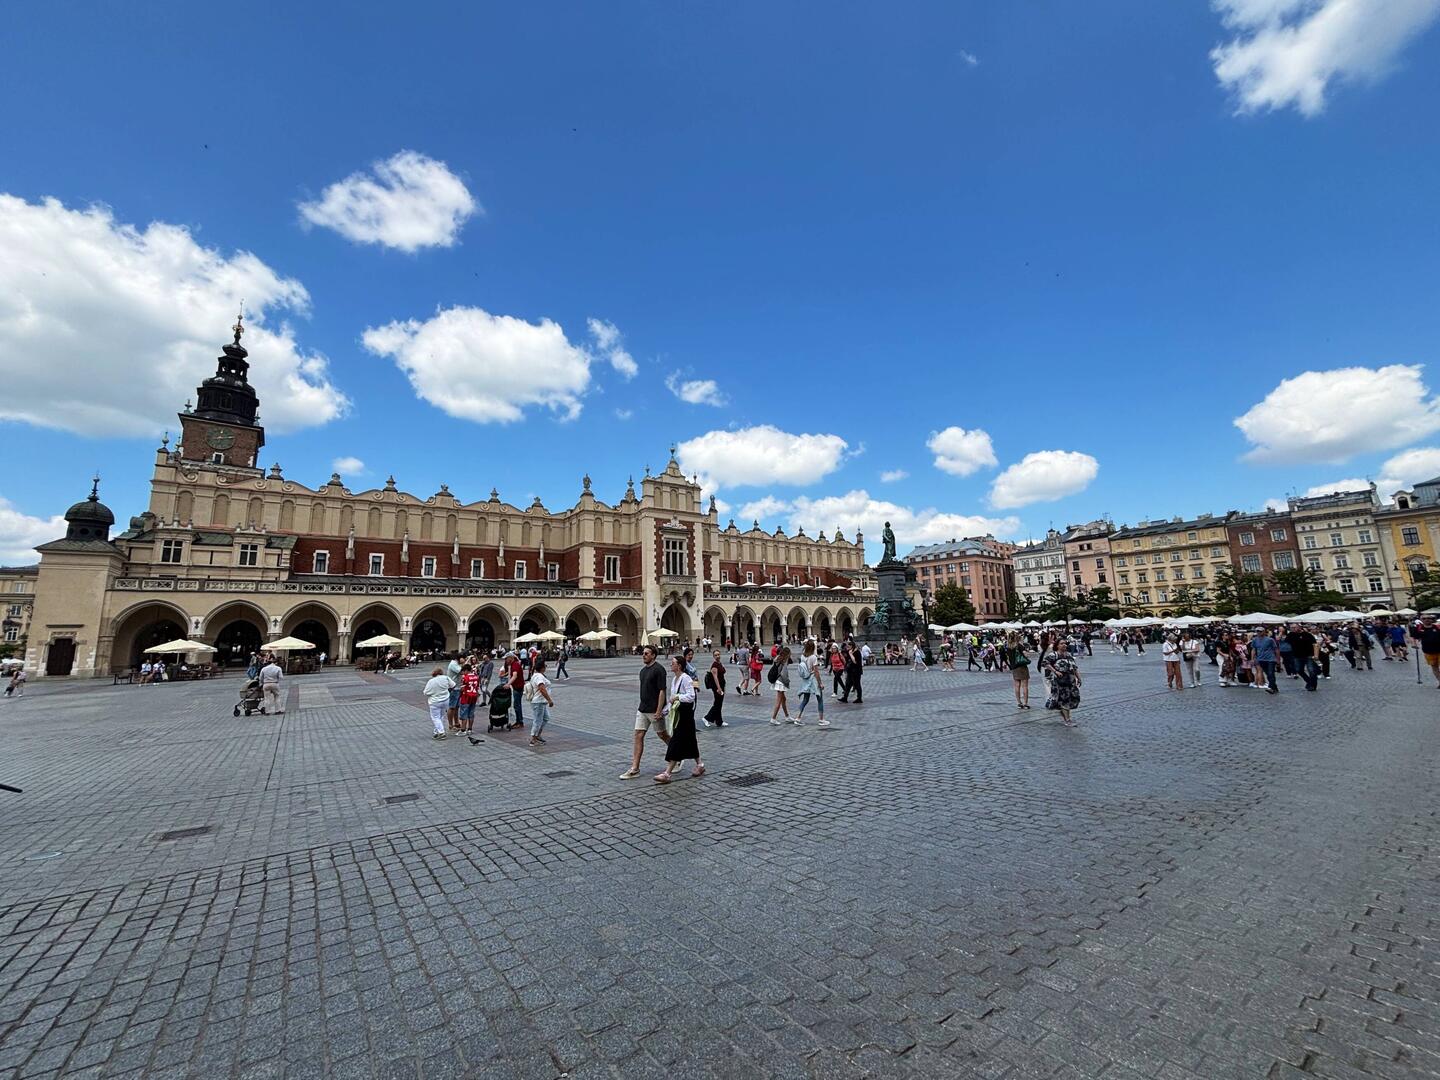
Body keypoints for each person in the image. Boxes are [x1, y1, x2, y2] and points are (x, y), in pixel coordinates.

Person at [620, 646, 669, 780]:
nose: (643, 655)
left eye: (646, 653)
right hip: (642, 709)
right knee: (638, 735)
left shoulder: (659, 670)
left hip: (654, 710)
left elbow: (662, 691)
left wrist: (659, 711)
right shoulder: (642, 671)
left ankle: (676, 753)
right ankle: (635, 768)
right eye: (643, 653)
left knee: (662, 735)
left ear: (653, 655)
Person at [655, 654, 704, 783]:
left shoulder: (686, 678)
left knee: (676, 742)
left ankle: (667, 773)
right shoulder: (675, 679)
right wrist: (662, 712)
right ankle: (700, 764)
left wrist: (677, 697)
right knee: (690, 740)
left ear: (679, 666)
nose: (671, 664)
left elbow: (691, 696)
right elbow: (671, 701)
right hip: (678, 714)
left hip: (685, 715)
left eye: (673, 663)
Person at [795, 640, 829, 728]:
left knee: (805, 699)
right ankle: (821, 720)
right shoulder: (813, 657)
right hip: (813, 679)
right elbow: (816, 671)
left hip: (806, 680)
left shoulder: (803, 656)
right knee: (820, 699)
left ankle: (798, 718)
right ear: (813, 647)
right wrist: (820, 683)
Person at [1049, 642, 1082, 726]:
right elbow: (1045, 663)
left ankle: (1066, 716)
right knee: (1064, 699)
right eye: (1061, 643)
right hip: (1059, 681)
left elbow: (1074, 668)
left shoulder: (1069, 655)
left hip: (1070, 680)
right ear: (1057, 645)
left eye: (1065, 643)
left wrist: (1079, 678)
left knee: (1072, 698)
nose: (1064, 645)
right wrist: (1055, 671)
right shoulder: (1053, 655)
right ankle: (1067, 720)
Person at [527, 658, 555, 745]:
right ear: (542, 667)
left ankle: (537, 735)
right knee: (538, 720)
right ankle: (533, 739)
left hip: (540, 702)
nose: (546, 667)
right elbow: (542, 688)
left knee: (546, 718)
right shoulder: (539, 676)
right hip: (538, 702)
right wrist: (549, 700)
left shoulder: (537, 675)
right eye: (545, 665)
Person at [422, 666, 453, 740]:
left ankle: (441, 732)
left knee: (435, 717)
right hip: (445, 700)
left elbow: (425, 692)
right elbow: (453, 685)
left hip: (435, 701)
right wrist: (447, 690)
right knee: (441, 716)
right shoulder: (446, 678)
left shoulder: (431, 681)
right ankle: (436, 732)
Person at [1288, 624, 1318, 691]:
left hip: (1308, 655)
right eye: (1291, 628)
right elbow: (1281, 640)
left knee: (1311, 671)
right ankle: (1309, 682)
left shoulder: (1307, 635)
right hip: (1297, 656)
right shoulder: (1291, 635)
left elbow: (1315, 644)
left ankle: (1313, 685)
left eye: (1294, 627)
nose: (1292, 629)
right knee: (1299, 670)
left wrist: (1316, 655)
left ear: (1299, 627)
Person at [1006, 631, 1031, 709]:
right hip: (1022, 666)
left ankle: (1019, 703)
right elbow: (1026, 654)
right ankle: (1025, 703)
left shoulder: (1008, 646)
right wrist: (1026, 651)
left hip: (1014, 667)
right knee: (1025, 686)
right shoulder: (1019, 645)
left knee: (1017, 685)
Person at [1251, 628, 1279, 694]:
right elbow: (1254, 649)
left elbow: (1276, 649)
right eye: (1257, 631)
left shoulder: (1270, 640)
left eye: (1260, 631)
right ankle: (1274, 687)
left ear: (1264, 632)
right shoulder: (1255, 640)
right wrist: (1252, 659)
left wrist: (1278, 659)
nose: (1259, 633)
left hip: (1270, 659)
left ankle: (1271, 687)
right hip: (1261, 659)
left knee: (1271, 673)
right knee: (1268, 674)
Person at [769, 647, 793, 724]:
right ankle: (773, 718)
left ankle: (787, 716)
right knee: (778, 701)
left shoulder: (777, 658)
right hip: (780, 681)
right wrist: (787, 682)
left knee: (783, 699)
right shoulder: (784, 660)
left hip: (776, 680)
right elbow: (784, 674)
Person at [703, 650, 726, 728]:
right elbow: (715, 677)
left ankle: (719, 721)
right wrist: (719, 688)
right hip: (717, 687)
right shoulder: (714, 665)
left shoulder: (719, 663)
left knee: (719, 704)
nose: (717, 656)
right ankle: (706, 718)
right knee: (717, 704)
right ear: (713, 656)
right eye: (716, 655)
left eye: (718, 654)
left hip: (722, 685)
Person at [457, 662, 480, 734]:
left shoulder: (465, 677)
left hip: (466, 697)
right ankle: (470, 729)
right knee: (471, 713)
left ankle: (463, 730)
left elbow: (463, 689)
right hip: (474, 696)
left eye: (463, 671)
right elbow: (477, 687)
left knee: (464, 713)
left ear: (466, 670)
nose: (463, 673)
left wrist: (459, 694)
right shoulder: (476, 676)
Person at [507, 652, 526, 730]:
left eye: (507, 658)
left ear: (511, 658)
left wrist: (508, 684)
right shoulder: (514, 664)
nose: (506, 660)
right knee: (517, 704)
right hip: (517, 687)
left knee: (517, 705)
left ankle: (519, 722)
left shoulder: (515, 665)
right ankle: (519, 721)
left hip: (518, 687)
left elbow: (515, 676)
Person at [446, 655, 463, 729]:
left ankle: (456, 722)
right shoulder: (453, 664)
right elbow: (461, 671)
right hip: (453, 688)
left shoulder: (456, 664)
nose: (464, 659)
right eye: (464, 658)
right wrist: (466, 662)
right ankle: (450, 724)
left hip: (458, 687)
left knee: (456, 707)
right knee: (452, 707)